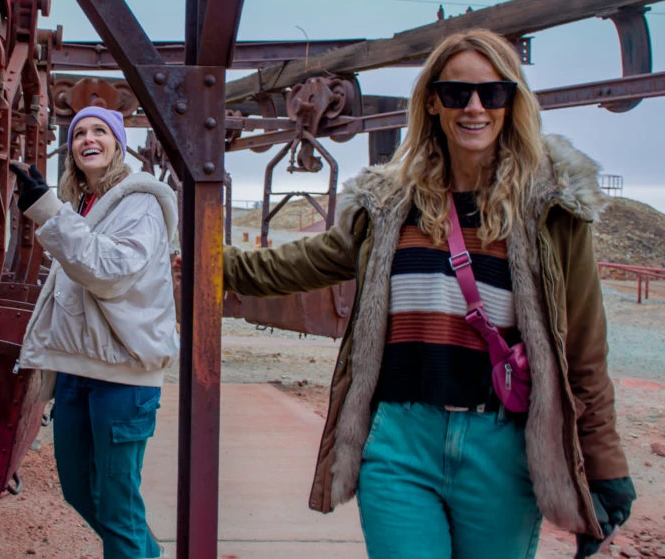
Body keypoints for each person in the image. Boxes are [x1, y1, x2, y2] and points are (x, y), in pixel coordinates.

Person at [214, 29, 635, 558]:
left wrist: (605, 466)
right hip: (401, 443)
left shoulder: (551, 213)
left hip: (500, 449)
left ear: (512, 102)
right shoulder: (389, 204)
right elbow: (309, 261)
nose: (475, 108)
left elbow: (584, 351)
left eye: (493, 93)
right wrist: (215, 264)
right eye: (457, 93)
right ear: (433, 102)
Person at [11, 105, 178, 559]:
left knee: (118, 509)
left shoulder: (139, 201)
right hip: (79, 370)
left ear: (118, 143)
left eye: (100, 131)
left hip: (123, 374)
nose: (89, 138)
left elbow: (109, 272)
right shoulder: (84, 203)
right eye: (79, 132)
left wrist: (47, 211)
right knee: (81, 492)